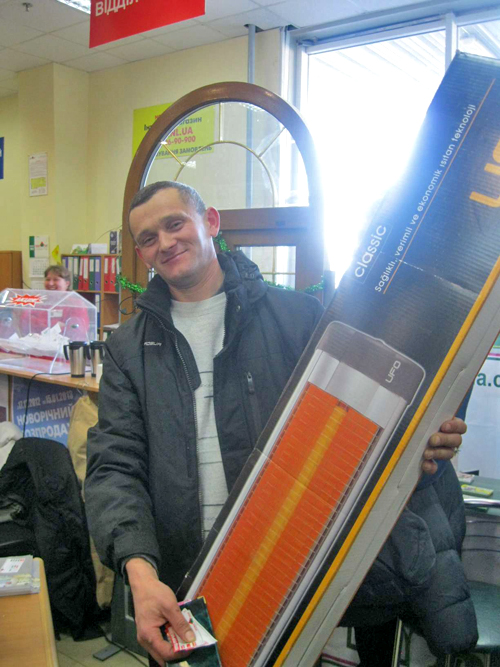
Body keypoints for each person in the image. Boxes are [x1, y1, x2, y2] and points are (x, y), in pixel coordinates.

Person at [85, 181, 470, 667]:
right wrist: (140, 575)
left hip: (292, 573)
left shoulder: (299, 318)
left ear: (210, 222)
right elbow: (114, 467)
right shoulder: (127, 349)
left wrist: (421, 443)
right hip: (188, 583)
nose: (164, 242)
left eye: (174, 223)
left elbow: (362, 430)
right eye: (147, 238)